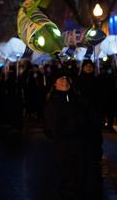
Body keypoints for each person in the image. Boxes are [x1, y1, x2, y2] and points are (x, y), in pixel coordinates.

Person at [44, 71, 102, 200]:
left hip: (82, 147)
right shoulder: (53, 102)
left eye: (66, 79)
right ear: (54, 84)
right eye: (60, 79)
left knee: (82, 178)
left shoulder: (78, 99)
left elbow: (91, 119)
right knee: (68, 180)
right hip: (65, 148)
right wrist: (73, 128)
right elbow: (52, 128)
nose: (64, 81)